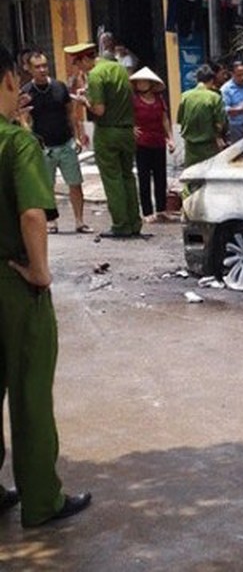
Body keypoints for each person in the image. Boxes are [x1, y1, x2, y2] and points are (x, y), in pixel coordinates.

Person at [0, 43, 92, 528]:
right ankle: (41, 500)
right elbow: (33, 213)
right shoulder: (16, 144)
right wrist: (39, 272)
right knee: (30, 393)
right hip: (13, 282)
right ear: (11, 81)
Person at [64, 42, 143, 240]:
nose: (79, 68)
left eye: (77, 63)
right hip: (127, 131)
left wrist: (84, 101)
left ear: (85, 58)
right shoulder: (119, 69)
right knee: (128, 177)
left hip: (108, 132)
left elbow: (99, 110)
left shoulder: (96, 75)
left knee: (112, 179)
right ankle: (134, 222)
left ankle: (121, 225)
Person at [21, 52, 92, 234]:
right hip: (43, 147)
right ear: (29, 69)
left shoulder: (59, 87)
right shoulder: (27, 92)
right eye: (37, 67)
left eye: (45, 65)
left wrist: (77, 135)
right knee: (47, 186)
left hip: (65, 143)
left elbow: (70, 114)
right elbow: (25, 120)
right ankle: (51, 221)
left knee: (75, 183)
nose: (43, 69)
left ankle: (79, 221)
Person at [130, 67, 175, 223]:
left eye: (143, 81)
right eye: (138, 82)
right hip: (141, 143)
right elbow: (127, 117)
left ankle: (161, 209)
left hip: (158, 142)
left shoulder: (159, 99)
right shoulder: (133, 100)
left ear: (150, 83)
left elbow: (165, 119)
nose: (140, 84)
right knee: (144, 178)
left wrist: (170, 138)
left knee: (160, 176)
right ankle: (147, 211)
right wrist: (131, 128)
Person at [178, 64, 228, 168]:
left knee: (191, 177)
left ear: (197, 80)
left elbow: (180, 120)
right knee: (209, 176)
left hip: (190, 147)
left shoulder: (185, 96)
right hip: (209, 146)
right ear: (211, 80)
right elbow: (219, 124)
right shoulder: (215, 97)